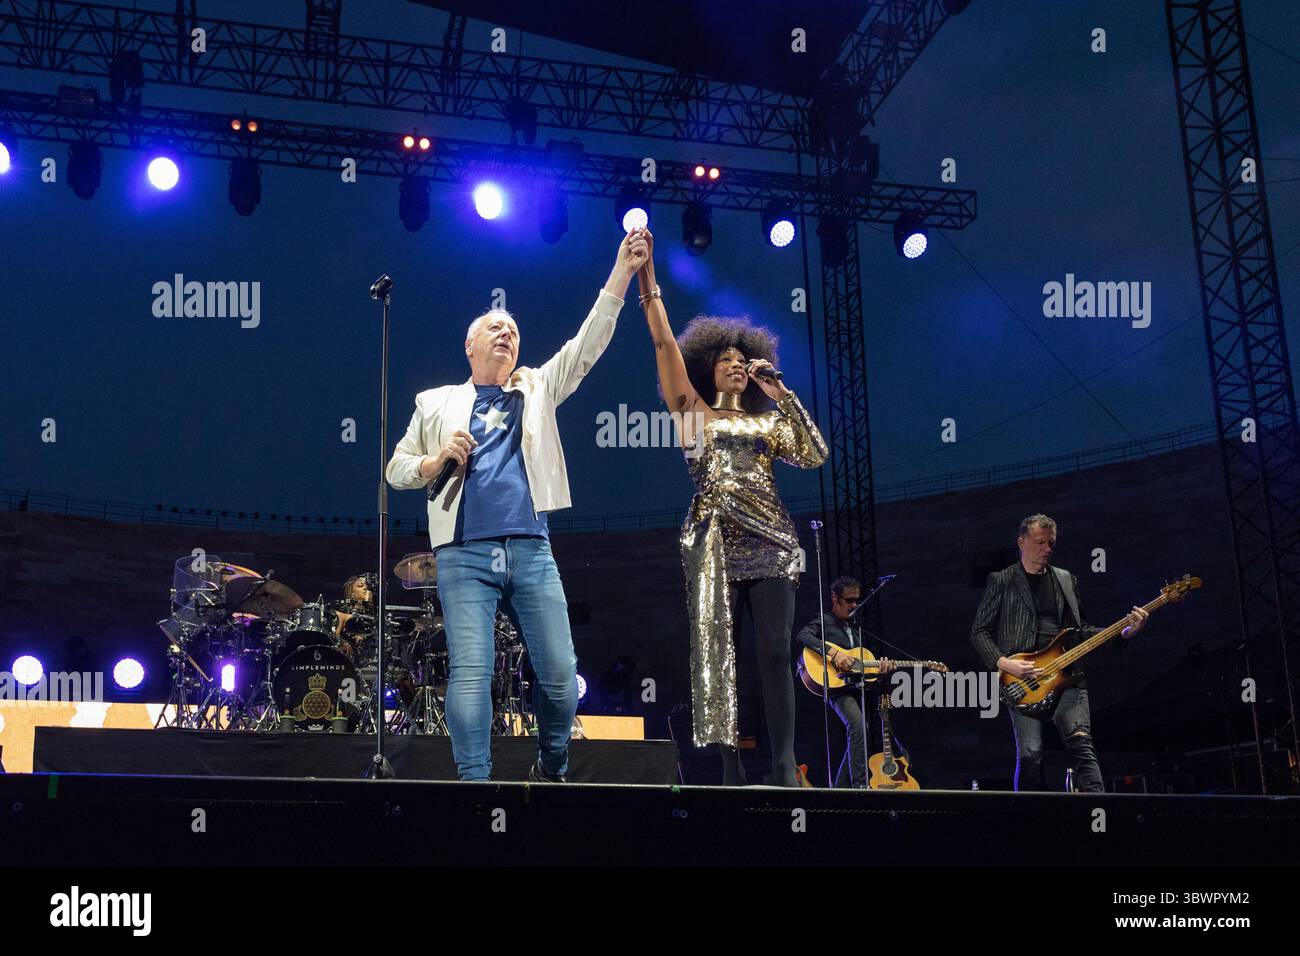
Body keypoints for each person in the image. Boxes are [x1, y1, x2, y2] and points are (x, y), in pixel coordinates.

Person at [385, 230, 648, 782]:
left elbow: (588, 342)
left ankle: (552, 764)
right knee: (471, 674)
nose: (506, 334)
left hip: (532, 549)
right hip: (463, 554)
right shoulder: (434, 402)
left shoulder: (537, 387)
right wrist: (433, 463)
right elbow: (396, 467)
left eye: (513, 330)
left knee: (559, 674)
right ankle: (475, 785)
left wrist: (622, 270)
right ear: (470, 347)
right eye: (494, 328)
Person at [635, 228, 828, 787]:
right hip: (716, 543)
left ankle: (785, 766)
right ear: (708, 369)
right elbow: (664, 345)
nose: (737, 364)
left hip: (770, 542)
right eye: (725, 359)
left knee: (773, 653)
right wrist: (649, 281)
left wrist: (783, 394)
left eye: (744, 359)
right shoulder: (691, 413)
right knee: (719, 657)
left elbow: (814, 455)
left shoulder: (768, 420)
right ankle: (729, 768)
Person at [969, 513, 1148, 792]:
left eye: (1051, 543)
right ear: (1022, 542)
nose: (1047, 549)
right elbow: (979, 631)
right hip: (1023, 681)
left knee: (1081, 743)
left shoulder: (1066, 580)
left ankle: (1099, 814)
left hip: (1067, 675)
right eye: (1040, 542)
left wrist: (1125, 632)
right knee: (1030, 755)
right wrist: (1005, 664)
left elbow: (1081, 630)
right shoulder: (1001, 580)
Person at [794, 575, 894, 788]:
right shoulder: (824, 620)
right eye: (848, 600)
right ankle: (860, 784)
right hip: (831, 683)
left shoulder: (855, 629)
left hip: (849, 685)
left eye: (856, 600)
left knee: (860, 730)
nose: (854, 605)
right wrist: (834, 655)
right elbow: (803, 636)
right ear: (835, 599)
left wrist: (880, 669)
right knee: (858, 725)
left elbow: (861, 668)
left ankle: (839, 789)